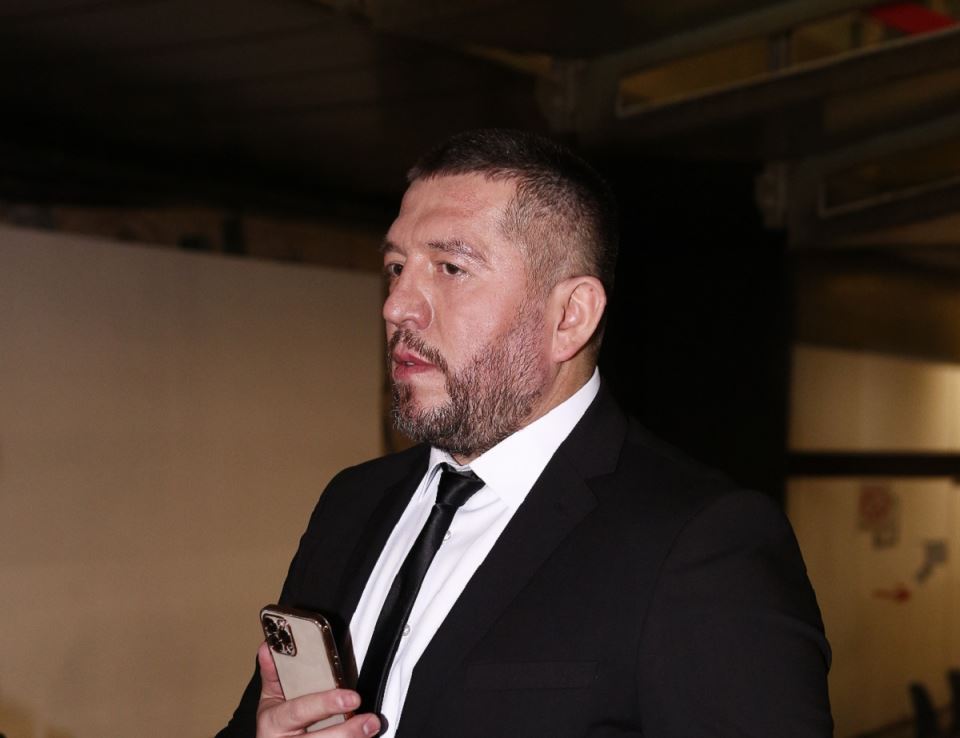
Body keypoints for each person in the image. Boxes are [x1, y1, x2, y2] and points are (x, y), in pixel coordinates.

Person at [217, 129, 832, 738]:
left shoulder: (702, 544)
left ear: (570, 317)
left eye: (451, 268)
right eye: (396, 267)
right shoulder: (350, 503)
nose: (397, 305)